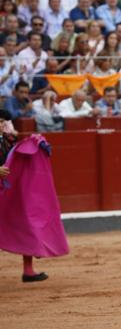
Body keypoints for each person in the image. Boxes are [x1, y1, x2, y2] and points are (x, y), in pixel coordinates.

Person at [0, 109, 69, 282]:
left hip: (7, 194)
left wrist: (35, 144)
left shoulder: (6, 140)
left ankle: (28, 270)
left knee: (25, 225)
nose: (1, 125)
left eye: (3, 121)